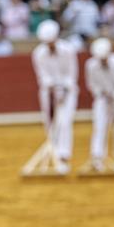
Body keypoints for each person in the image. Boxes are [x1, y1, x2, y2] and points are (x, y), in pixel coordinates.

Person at [31, 19, 79, 173]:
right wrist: (52, 87)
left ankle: (63, 156)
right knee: (49, 122)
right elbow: (42, 75)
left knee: (65, 121)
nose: (49, 45)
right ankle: (54, 153)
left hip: (68, 90)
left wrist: (64, 88)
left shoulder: (68, 50)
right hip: (48, 91)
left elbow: (72, 74)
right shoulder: (38, 53)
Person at [85, 38, 114, 174]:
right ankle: (97, 158)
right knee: (99, 126)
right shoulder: (91, 65)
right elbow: (92, 84)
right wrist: (100, 92)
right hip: (103, 99)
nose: (102, 61)